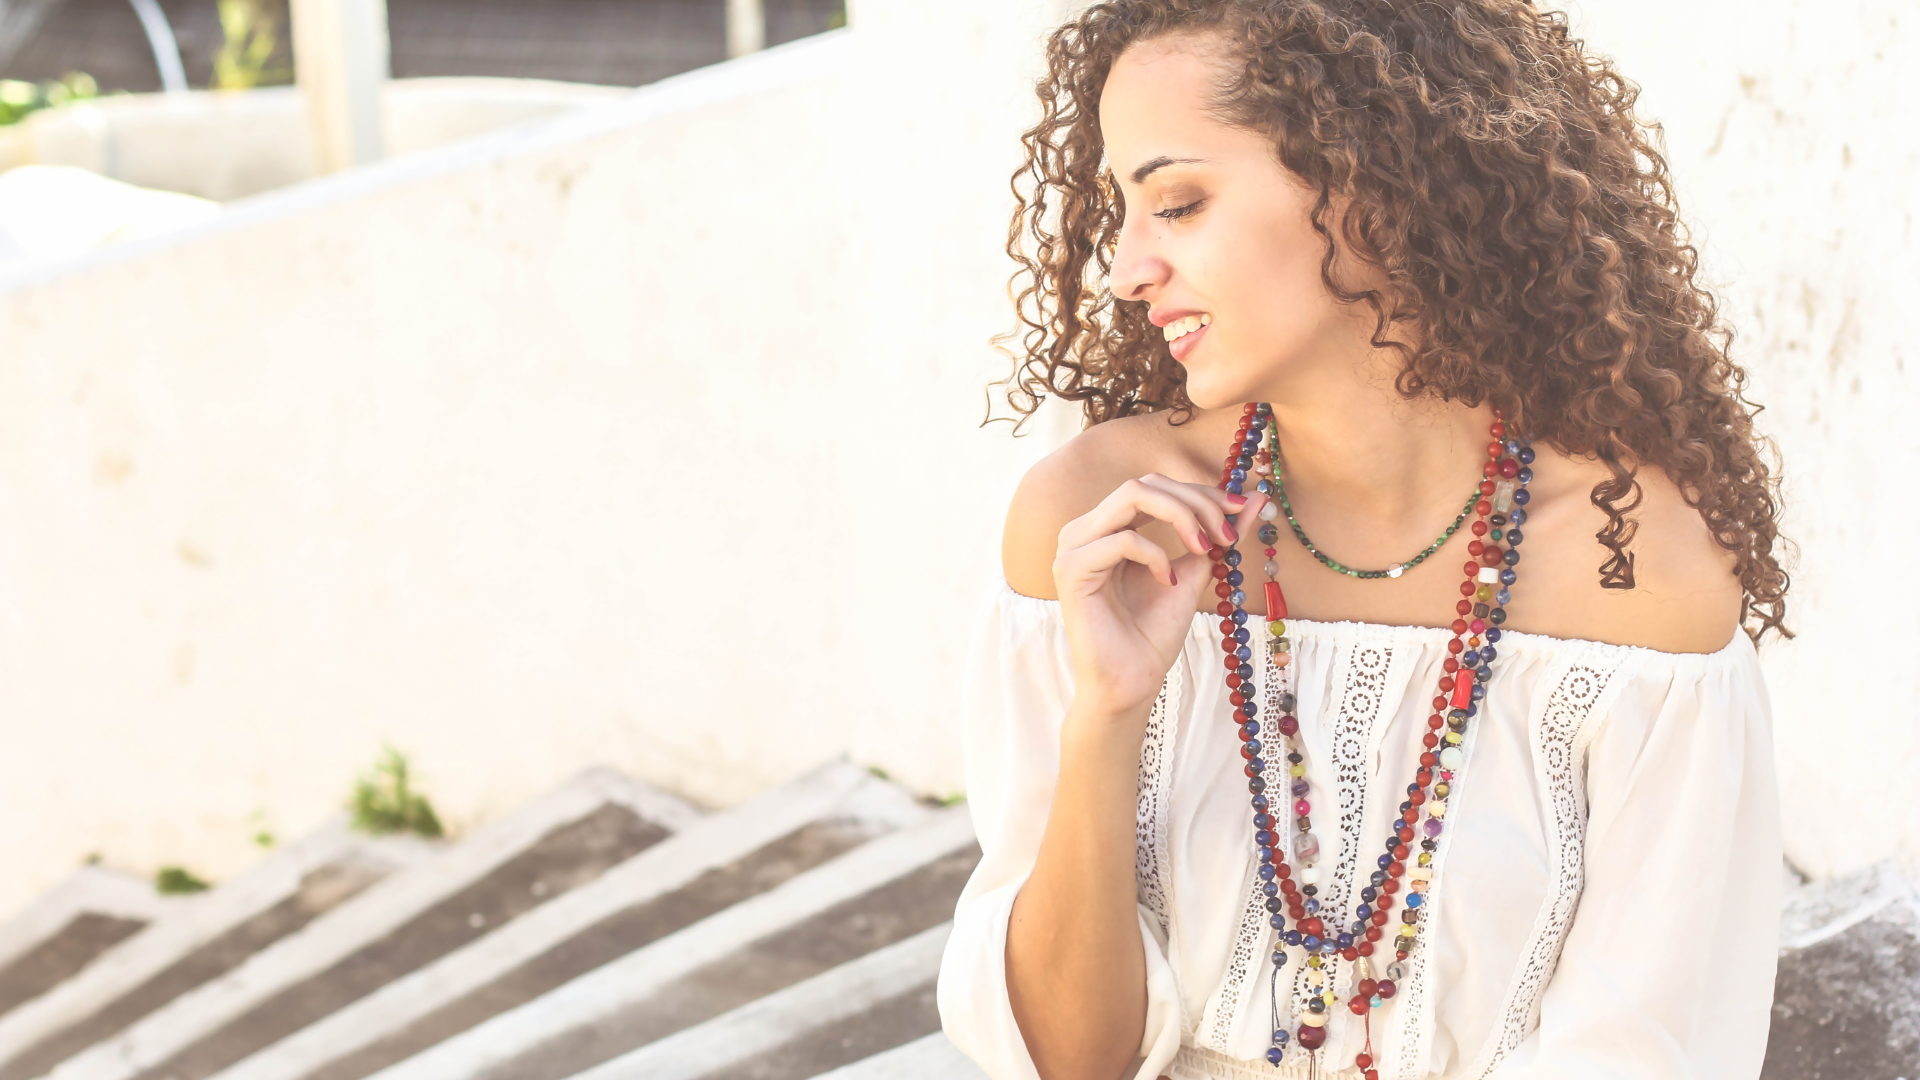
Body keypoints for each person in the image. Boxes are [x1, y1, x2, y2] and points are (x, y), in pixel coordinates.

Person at [934, 2, 1789, 1079]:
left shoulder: (1631, 572)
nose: (1125, 269)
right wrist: (1108, 716)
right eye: (1122, 212)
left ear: (1369, 185)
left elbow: (1646, 1047)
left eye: (1179, 203)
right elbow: (1068, 1057)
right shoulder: (1106, 527)